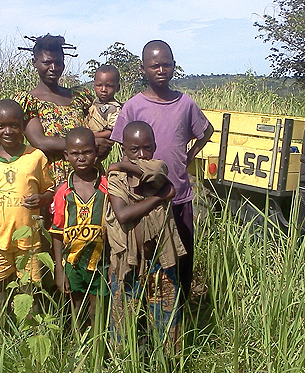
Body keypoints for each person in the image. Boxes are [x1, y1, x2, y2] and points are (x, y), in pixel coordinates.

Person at [111, 40, 214, 298]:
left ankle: (180, 310)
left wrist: (188, 157)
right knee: (148, 258)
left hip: (178, 195)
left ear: (174, 67)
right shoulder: (134, 106)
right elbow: (122, 147)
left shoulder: (185, 104)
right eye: (155, 65)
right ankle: (145, 318)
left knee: (182, 256)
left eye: (166, 64)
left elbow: (206, 131)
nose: (161, 70)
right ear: (143, 69)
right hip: (143, 201)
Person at [107, 121, 187, 352]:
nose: (141, 155)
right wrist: (157, 198)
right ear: (123, 148)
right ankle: (123, 359)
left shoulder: (158, 174)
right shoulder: (117, 180)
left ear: (154, 147)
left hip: (160, 260)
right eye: (134, 150)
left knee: (167, 317)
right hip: (127, 262)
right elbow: (123, 215)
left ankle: (170, 361)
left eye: (147, 148)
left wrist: (123, 165)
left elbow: (155, 170)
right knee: (122, 317)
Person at [0, 99, 54, 313]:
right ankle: (4, 336)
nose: (8, 131)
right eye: (1, 126)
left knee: (31, 292)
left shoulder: (36, 157)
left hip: (28, 238)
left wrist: (41, 199)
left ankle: (30, 330)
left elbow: (50, 191)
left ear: (23, 126)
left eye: (14, 125)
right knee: (0, 292)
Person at [14, 34, 111, 185]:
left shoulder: (80, 96)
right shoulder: (28, 101)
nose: (53, 68)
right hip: (54, 179)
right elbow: (40, 142)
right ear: (34, 62)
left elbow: (100, 124)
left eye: (58, 62)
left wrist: (103, 144)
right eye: (47, 62)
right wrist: (88, 146)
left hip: (90, 176)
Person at [49, 127, 109, 328]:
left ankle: (97, 352)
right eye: (75, 153)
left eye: (87, 152)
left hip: (101, 263)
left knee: (97, 309)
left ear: (96, 153)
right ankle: (78, 348)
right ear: (66, 156)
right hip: (72, 263)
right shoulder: (63, 192)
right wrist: (59, 268)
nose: (81, 158)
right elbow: (57, 232)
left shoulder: (107, 187)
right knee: (76, 307)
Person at [84, 65, 122, 140]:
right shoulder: (94, 102)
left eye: (109, 86)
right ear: (94, 85)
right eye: (99, 85)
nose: (103, 89)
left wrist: (91, 136)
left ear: (117, 88)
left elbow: (112, 131)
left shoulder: (114, 109)